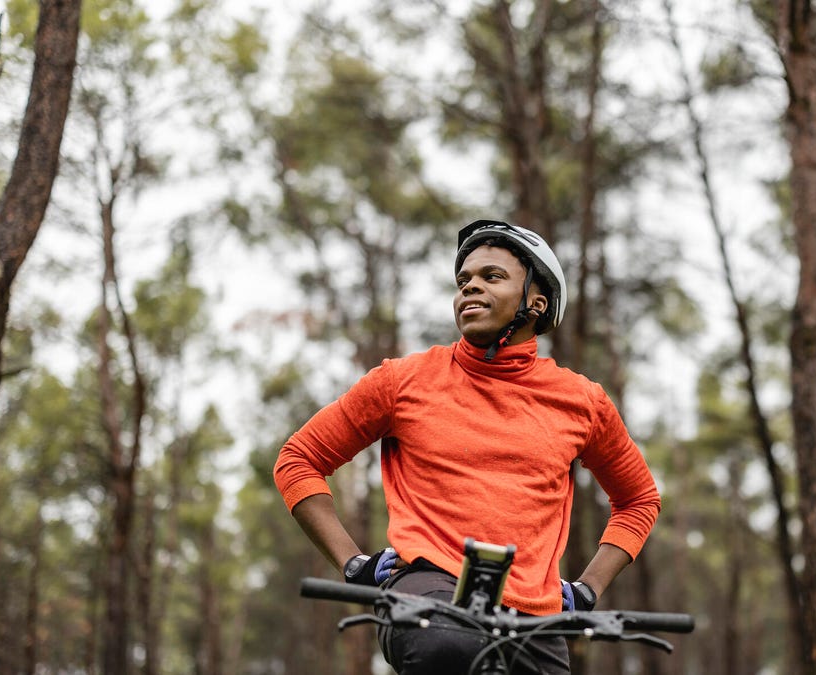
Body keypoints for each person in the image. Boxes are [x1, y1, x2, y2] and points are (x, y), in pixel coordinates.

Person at [274, 220, 661, 674]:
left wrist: (588, 589)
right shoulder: (403, 381)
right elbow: (298, 460)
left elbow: (639, 499)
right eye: (463, 281)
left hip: (534, 616)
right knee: (448, 646)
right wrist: (353, 562)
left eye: (491, 277)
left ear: (536, 302)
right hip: (428, 590)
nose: (470, 288)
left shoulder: (582, 402)